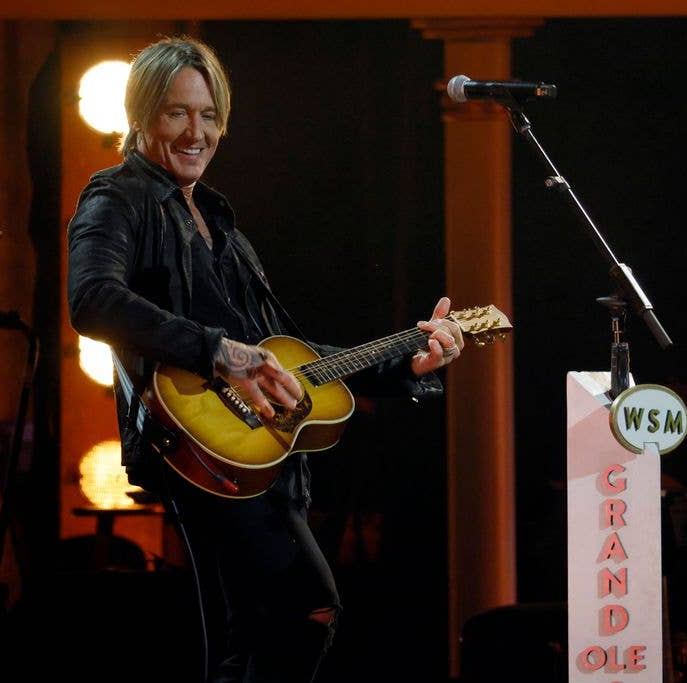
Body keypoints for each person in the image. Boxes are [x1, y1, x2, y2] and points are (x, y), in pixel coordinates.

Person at [66, 36, 463, 682]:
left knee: (257, 631)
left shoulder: (221, 225)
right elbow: (92, 298)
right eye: (176, 113)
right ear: (141, 116)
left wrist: (406, 362)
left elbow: (287, 358)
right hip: (200, 444)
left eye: (209, 116)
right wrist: (218, 352)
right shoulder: (118, 196)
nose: (196, 132)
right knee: (298, 611)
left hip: (262, 451)